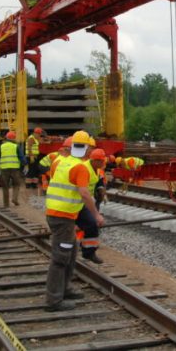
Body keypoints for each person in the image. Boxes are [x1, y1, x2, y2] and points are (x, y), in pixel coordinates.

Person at [44, 130, 104, 312]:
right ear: (87, 149)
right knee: (60, 258)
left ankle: (65, 289)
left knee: (71, 251)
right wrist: (96, 215)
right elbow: (84, 193)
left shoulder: (59, 162)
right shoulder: (80, 168)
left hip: (59, 214)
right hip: (62, 216)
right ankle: (53, 300)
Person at [75, 147, 107, 264]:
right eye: (101, 161)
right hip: (77, 201)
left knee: (92, 224)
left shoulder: (97, 170)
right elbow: (83, 191)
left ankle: (89, 252)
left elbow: (98, 182)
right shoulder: (85, 168)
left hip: (86, 201)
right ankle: (70, 249)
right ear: (94, 160)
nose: (103, 163)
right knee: (84, 224)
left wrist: (101, 190)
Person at [0, 131, 26, 208]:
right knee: (16, 184)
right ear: (14, 138)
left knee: (5, 186)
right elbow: (21, 157)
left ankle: (6, 204)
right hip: (15, 168)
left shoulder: (2, 146)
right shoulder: (16, 146)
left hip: (4, 169)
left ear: (6, 138)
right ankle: (14, 198)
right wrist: (25, 164)